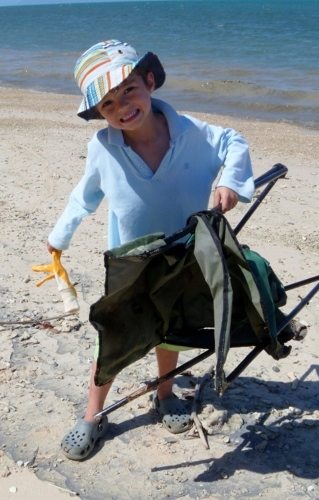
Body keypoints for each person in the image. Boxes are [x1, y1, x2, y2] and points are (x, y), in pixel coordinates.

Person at [47, 39, 255, 460]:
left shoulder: (193, 132)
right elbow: (83, 197)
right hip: (131, 263)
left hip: (184, 254)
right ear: (100, 114)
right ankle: (92, 413)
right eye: (108, 103)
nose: (122, 107)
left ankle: (165, 394)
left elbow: (234, 141)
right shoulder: (104, 148)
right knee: (113, 337)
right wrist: (59, 237)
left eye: (128, 90)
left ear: (149, 80)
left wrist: (230, 182)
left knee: (170, 330)